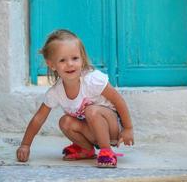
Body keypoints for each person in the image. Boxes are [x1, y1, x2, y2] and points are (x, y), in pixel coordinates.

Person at [16, 29, 134, 168]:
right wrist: (25, 145)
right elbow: (38, 118)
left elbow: (118, 100)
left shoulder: (92, 80)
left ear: (82, 58)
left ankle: (106, 151)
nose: (70, 64)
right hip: (91, 132)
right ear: (51, 64)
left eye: (75, 58)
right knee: (65, 121)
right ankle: (86, 149)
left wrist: (128, 128)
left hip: (112, 128)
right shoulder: (56, 92)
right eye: (62, 60)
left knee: (91, 111)